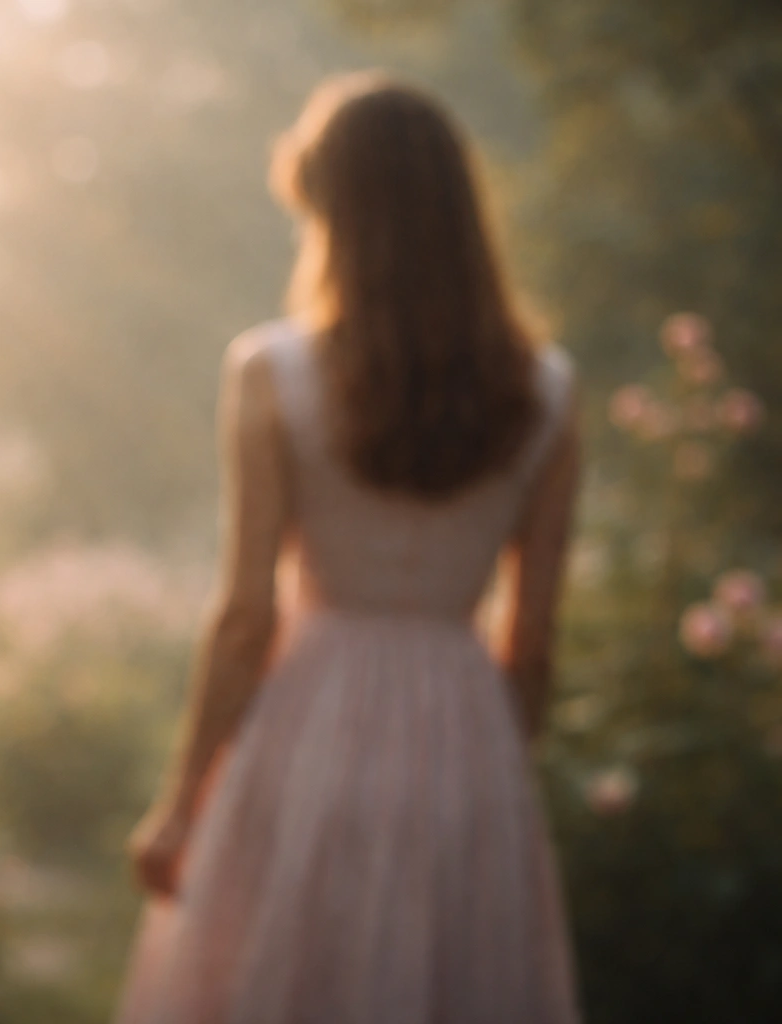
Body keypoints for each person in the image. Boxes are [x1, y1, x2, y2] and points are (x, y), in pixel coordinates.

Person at [115, 72, 581, 1024]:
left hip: (308, 717)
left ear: (330, 209)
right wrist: (492, 763)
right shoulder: (548, 390)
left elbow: (247, 618)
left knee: (287, 978)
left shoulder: (271, 372)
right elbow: (531, 640)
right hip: (466, 731)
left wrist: (180, 805)